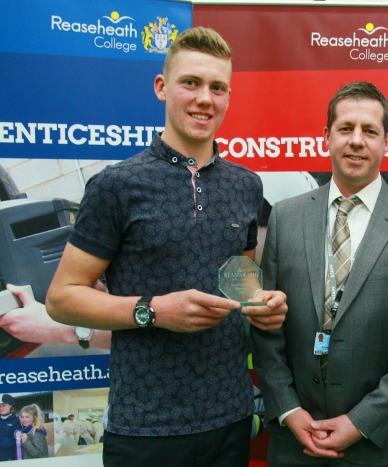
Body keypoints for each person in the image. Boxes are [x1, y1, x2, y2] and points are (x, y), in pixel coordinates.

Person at [45, 27, 288, 467]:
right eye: (190, 83)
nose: (204, 99)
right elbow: (61, 299)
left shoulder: (246, 186)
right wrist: (153, 311)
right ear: (162, 88)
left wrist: (261, 303)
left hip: (230, 419)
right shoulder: (116, 186)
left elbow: (240, 281)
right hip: (146, 426)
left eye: (217, 88)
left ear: (228, 98)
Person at [251, 81, 388, 466]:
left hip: (378, 446)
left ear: (387, 141)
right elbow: (265, 324)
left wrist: (361, 422)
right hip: (295, 444)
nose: (357, 140)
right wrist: (289, 411)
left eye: (370, 131)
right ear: (326, 136)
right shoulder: (286, 217)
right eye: (345, 128)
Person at [0, 394, 21, 461]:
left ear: (10, 406)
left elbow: (15, 440)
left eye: (4, 405)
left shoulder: (16, 420)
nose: (1, 408)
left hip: (8, 456)